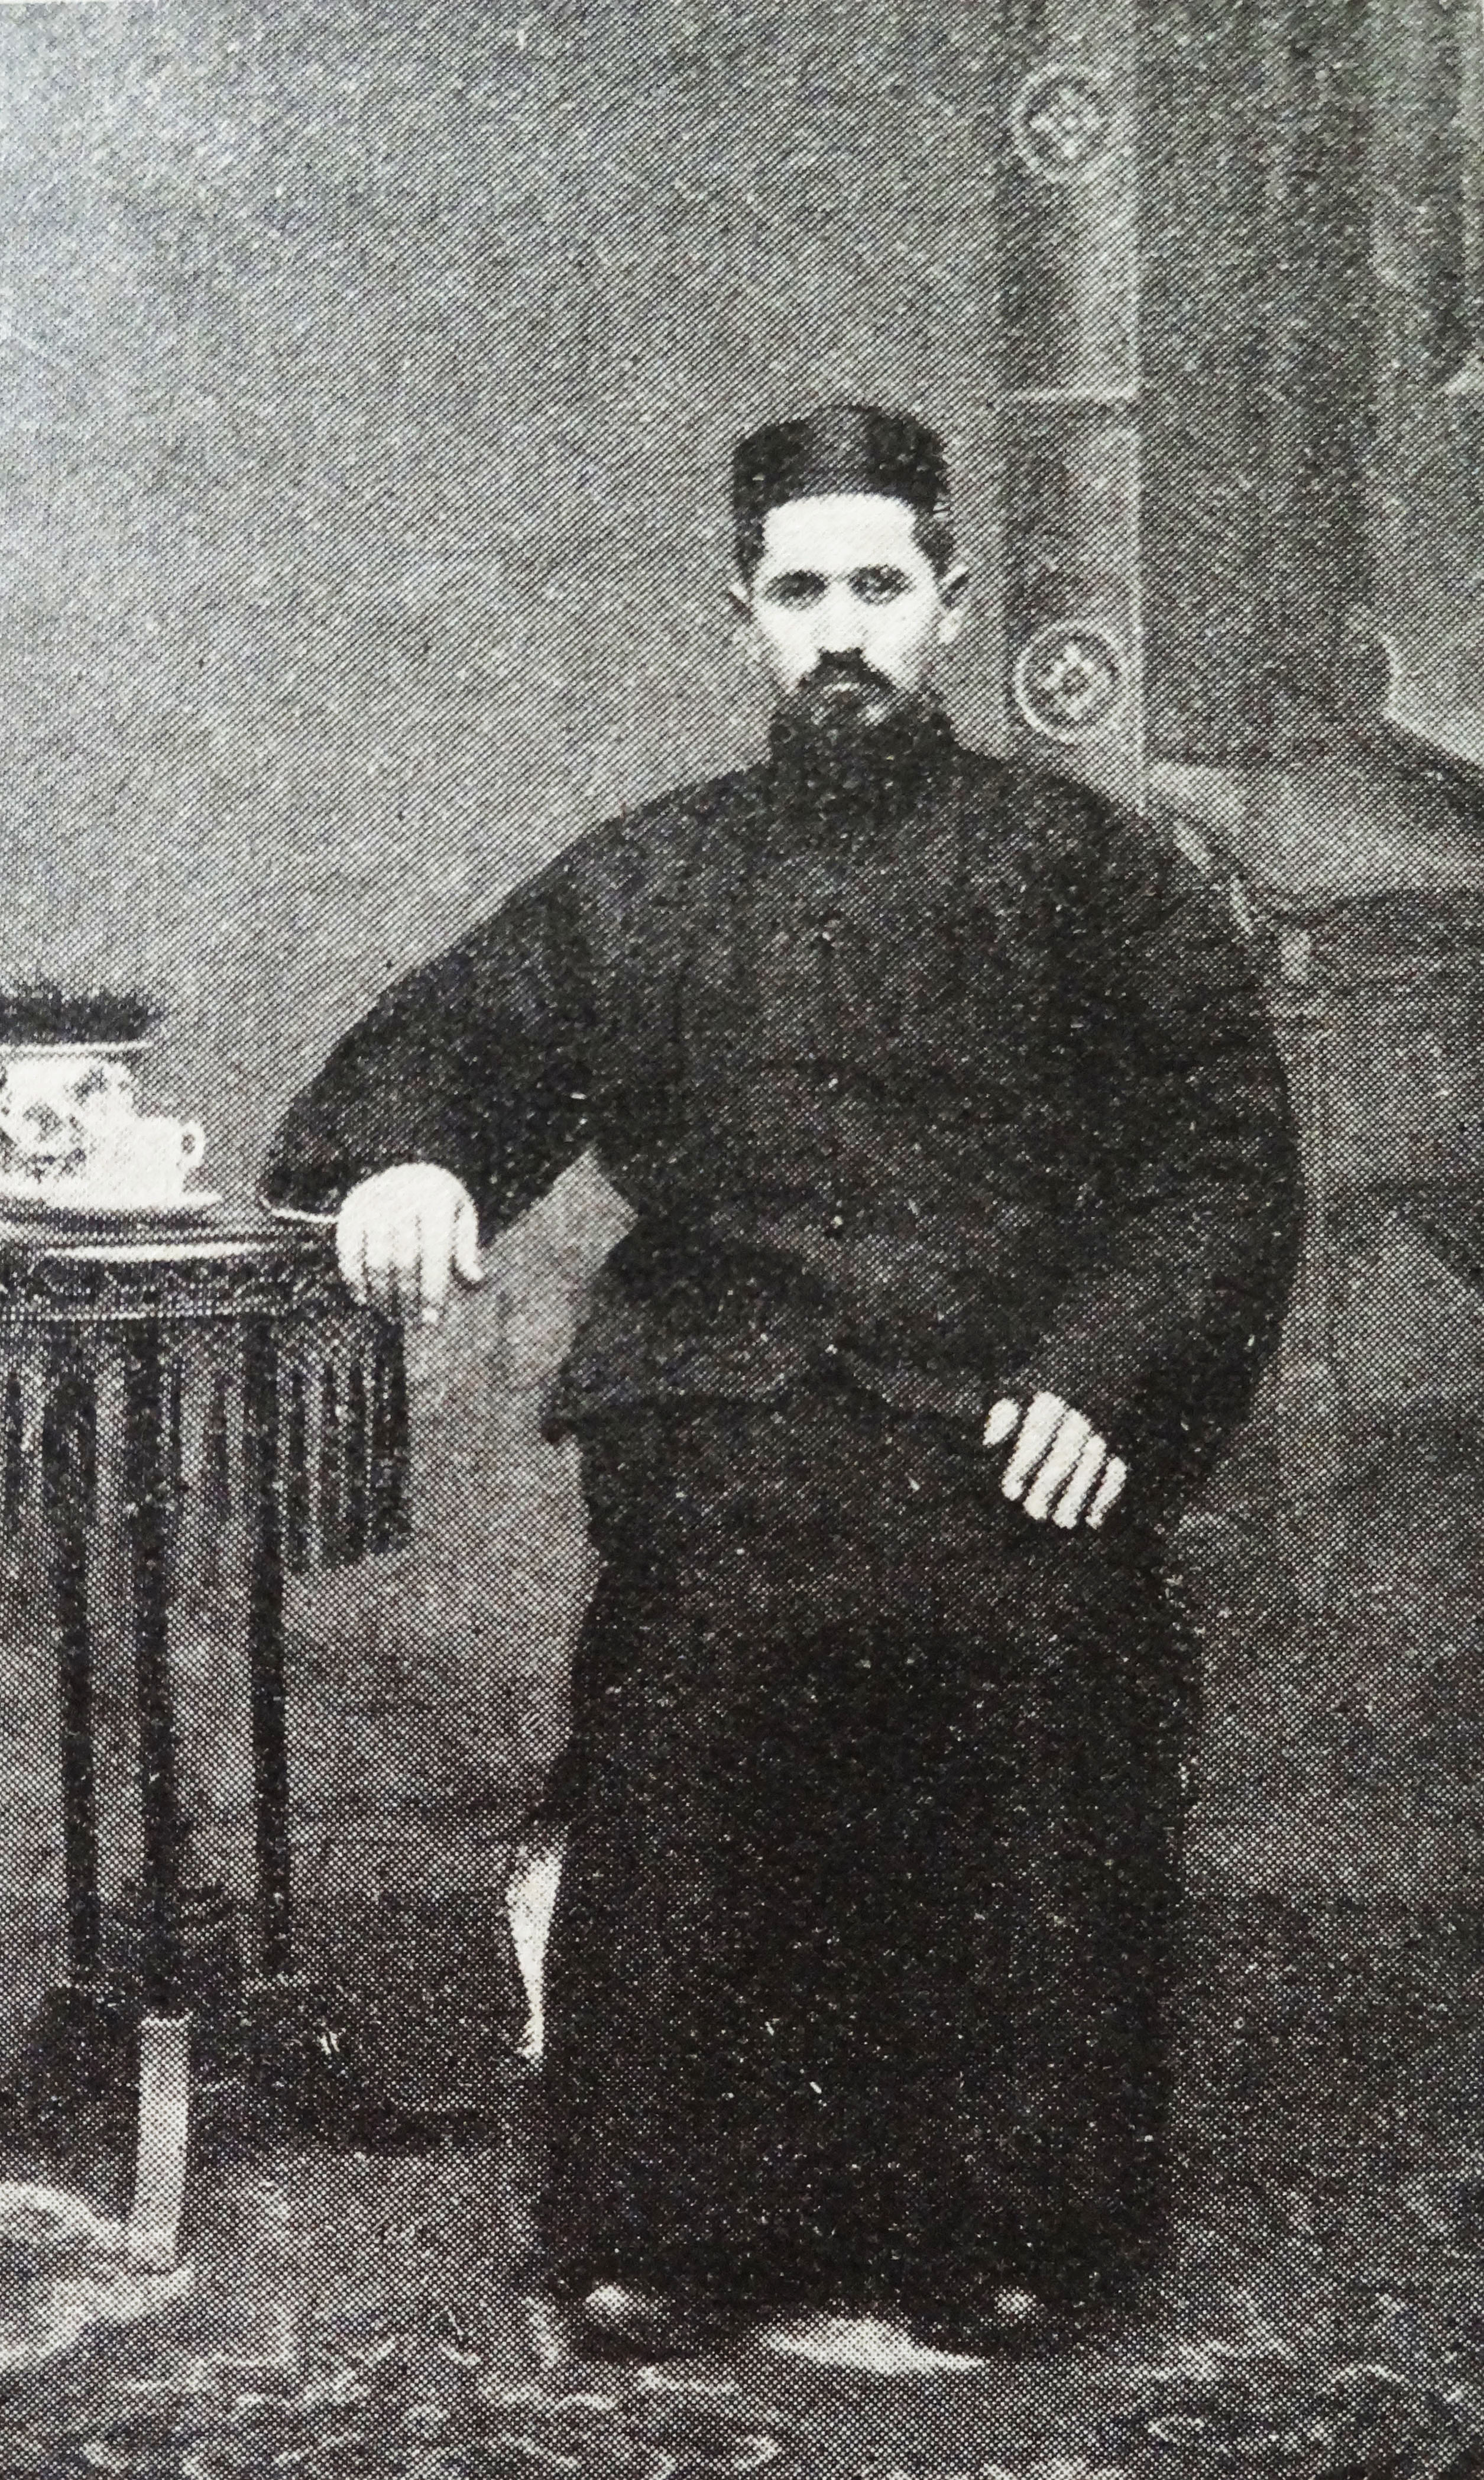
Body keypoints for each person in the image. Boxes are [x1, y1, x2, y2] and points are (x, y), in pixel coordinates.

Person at [261, 403, 1302, 2355]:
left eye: (879, 587)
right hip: (728, 1425)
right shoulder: (649, 878)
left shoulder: (1085, 871)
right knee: (705, 1667)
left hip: (1005, 1425)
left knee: (1038, 1659)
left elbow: (1220, 1157)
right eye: (800, 590)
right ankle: (673, 2217)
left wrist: (1106, 1377)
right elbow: (458, 1041)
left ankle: (1012, 2215)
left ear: (951, 602)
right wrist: (411, 1158)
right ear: (739, 611)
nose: (840, 631)